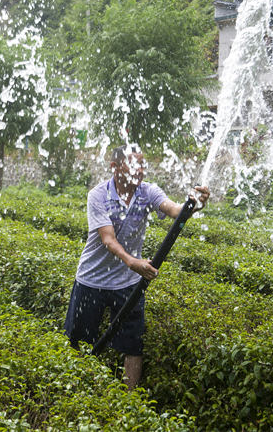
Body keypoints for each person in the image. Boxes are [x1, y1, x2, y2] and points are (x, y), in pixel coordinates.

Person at [64, 143, 210, 390]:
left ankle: (128, 402)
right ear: (114, 166)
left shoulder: (147, 192)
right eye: (134, 164)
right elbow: (108, 239)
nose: (140, 169)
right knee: (79, 342)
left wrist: (194, 204)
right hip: (91, 281)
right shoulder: (98, 195)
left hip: (128, 284)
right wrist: (132, 262)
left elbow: (174, 210)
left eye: (142, 164)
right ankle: (77, 392)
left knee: (133, 345)